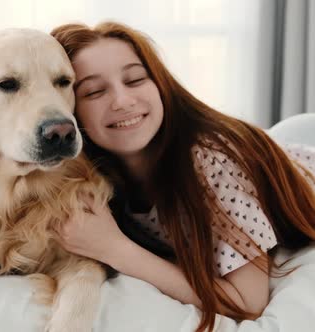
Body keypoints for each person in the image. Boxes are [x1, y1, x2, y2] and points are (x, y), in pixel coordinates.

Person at [51, 21, 315, 331]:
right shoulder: (86, 168)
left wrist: (116, 249)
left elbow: (248, 302)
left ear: (160, 83)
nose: (123, 101)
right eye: (94, 91)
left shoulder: (212, 161)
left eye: (135, 79)